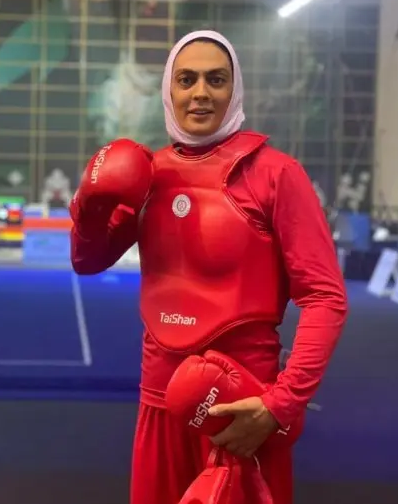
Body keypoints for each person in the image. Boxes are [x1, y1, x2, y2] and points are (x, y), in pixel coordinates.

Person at [70, 30, 348, 504]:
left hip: (241, 412)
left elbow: (325, 298)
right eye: (187, 80)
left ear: (235, 90)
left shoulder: (276, 174)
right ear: (169, 89)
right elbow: (87, 260)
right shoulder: (147, 174)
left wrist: (280, 404)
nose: (200, 93)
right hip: (158, 403)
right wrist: (89, 207)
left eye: (216, 80)